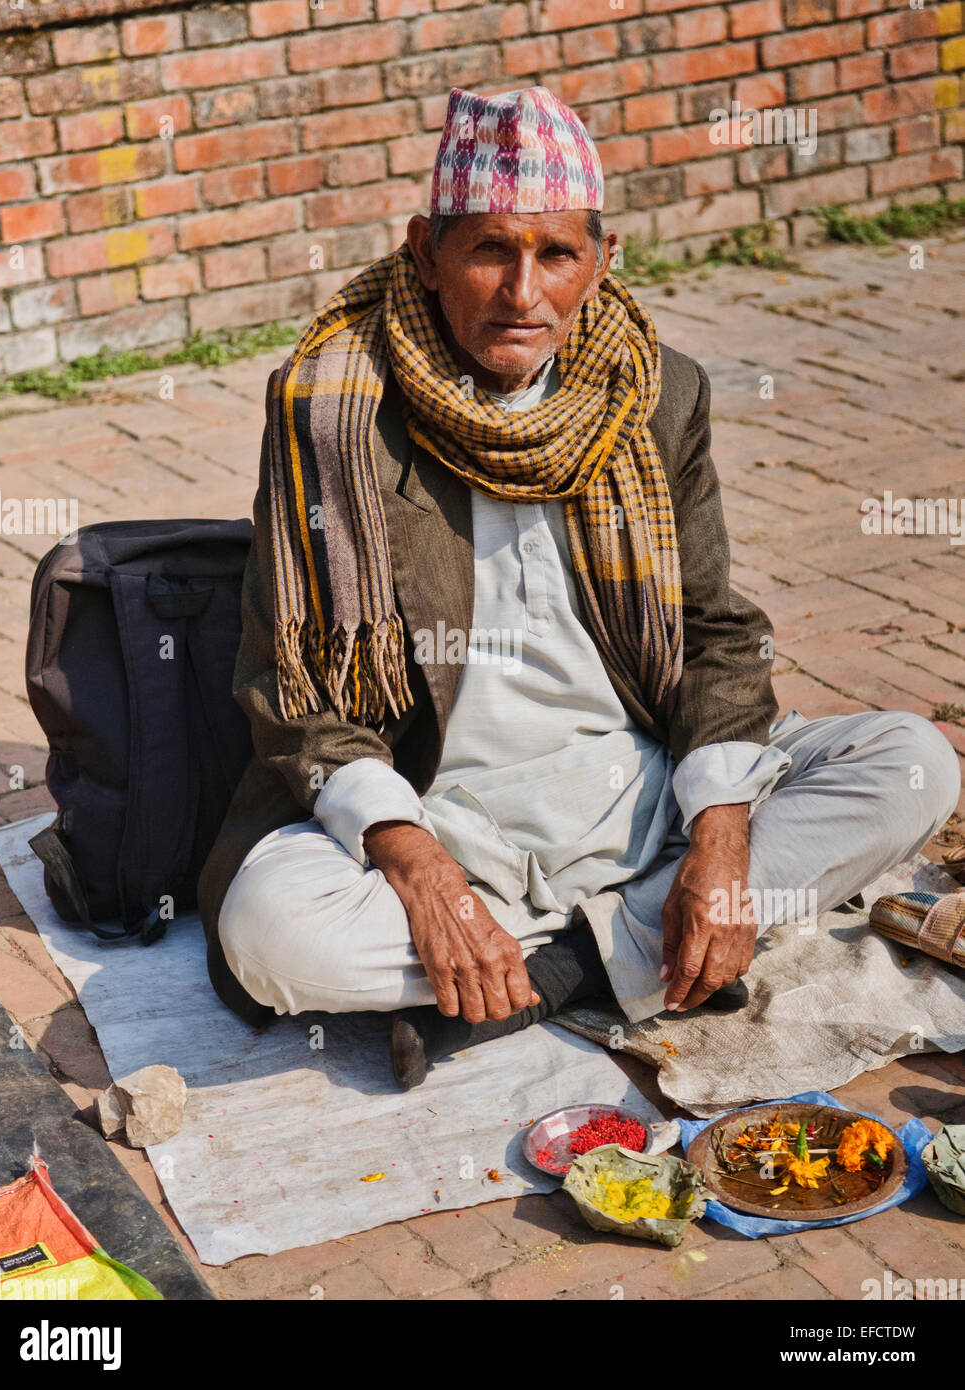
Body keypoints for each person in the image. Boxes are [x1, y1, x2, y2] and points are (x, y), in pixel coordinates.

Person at [197, 86, 960, 1088]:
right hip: (442, 809)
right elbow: (290, 688)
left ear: (600, 260)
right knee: (270, 934)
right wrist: (418, 871)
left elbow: (713, 627)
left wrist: (721, 839)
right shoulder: (335, 409)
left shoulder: (655, 391)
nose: (523, 292)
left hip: (631, 787)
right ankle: (631, 947)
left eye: (555, 254)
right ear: (425, 251)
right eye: (488, 251)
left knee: (909, 763)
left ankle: (552, 973)